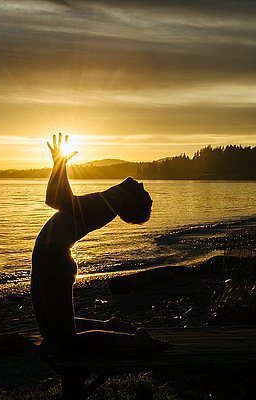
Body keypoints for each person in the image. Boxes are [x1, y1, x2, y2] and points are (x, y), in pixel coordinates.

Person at [31, 134, 171, 354]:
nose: (141, 183)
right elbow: (58, 198)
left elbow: (55, 198)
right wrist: (59, 164)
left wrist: (59, 164)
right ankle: (111, 327)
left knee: (66, 342)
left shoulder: (108, 203)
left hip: (53, 261)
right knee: (51, 333)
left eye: (144, 192)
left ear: (130, 202)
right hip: (47, 259)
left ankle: (136, 341)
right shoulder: (107, 200)